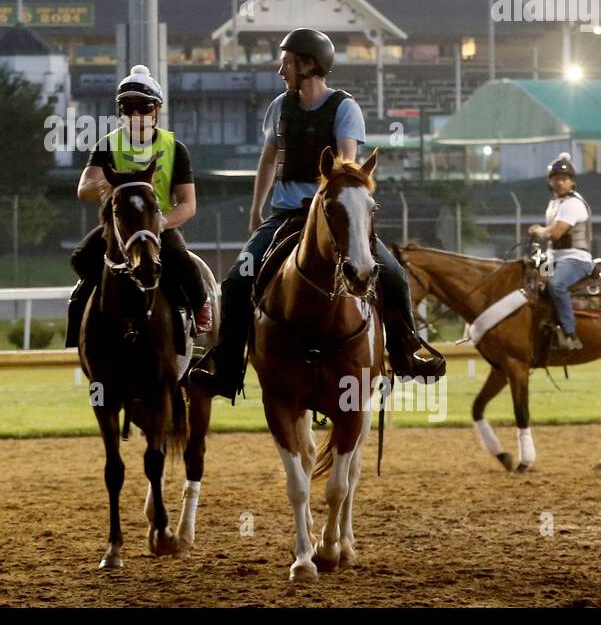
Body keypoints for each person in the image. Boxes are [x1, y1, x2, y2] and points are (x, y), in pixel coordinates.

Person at [190, 28, 445, 401]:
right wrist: (257, 210)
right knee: (235, 280)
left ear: (309, 65)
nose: (281, 71)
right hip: (284, 216)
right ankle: (227, 372)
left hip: (333, 217)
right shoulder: (279, 107)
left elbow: (346, 167)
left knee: (394, 275)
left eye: (287, 63)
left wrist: (336, 208)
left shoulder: (345, 108)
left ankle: (405, 357)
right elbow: (269, 159)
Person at [66, 65, 211, 345]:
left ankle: (200, 309)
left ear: (157, 110)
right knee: (81, 259)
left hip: (159, 226)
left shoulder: (175, 148)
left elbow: (188, 204)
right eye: (127, 107)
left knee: (182, 261)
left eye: (143, 107)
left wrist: (158, 224)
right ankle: (82, 324)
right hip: (119, 229)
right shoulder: (108, 145)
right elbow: (84, 189)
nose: (135, 115)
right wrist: (111, 186)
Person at [527, 152, 590, 362]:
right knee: (529, 280)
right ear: (550, 182)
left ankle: (570, 333)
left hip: (575, 258)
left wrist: (538, 230)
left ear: (572, 182)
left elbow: (555, 233)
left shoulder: (573, 204)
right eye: (556, 179)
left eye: (564, 179)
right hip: (553, 256)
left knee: (556, 285)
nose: (560, 183)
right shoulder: (554, 204)